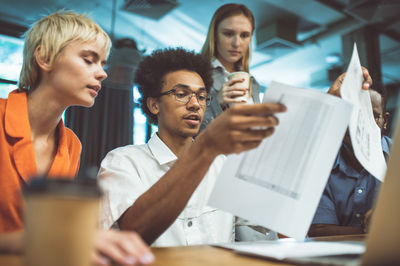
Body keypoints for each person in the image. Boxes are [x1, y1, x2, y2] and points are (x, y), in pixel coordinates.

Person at [0, 11, 153, 265]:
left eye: (103, 64)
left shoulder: (71, 143)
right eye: (89, 60)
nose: (103, 73)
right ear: (45, 57)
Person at [98, 47, 286, 246]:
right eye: (181, 94)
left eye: (202, 96)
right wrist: (205, 147)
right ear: (154, 105)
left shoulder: (222, 166)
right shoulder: (124, 162)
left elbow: (261, 228)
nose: (195, 104)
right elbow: (134, 232)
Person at [309, 85, 390, 237]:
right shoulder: (321, 163)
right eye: (353, 115)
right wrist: (376, 229)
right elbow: (319, 230)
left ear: (384, 121)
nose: (361, 124)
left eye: (372, 115)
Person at [200, 3, 260, 132]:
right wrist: (217, 103)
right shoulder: (197, 75)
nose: (236, 43)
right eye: (228, 34)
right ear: (215, 35)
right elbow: (187, 134)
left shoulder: (253, 84)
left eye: (244, 35)